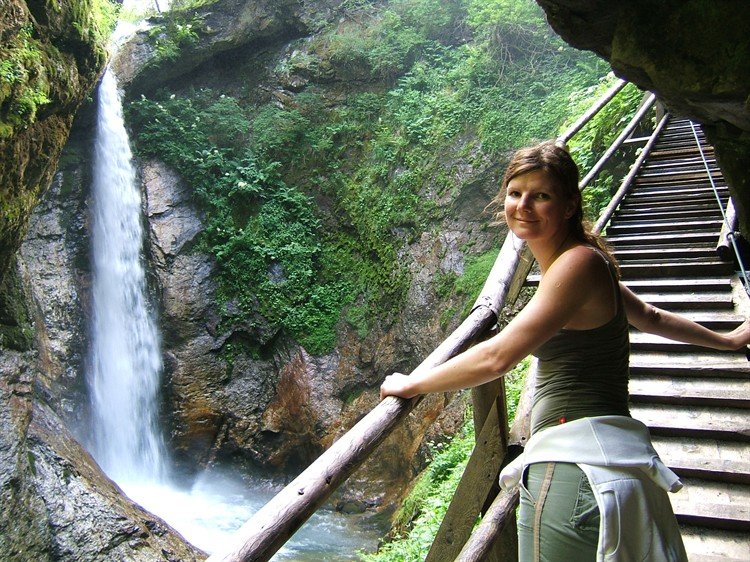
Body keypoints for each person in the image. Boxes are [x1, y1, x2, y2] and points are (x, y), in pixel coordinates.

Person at [379, 141, 750, 562]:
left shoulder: (576, 266)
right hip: (609, 465)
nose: (524, 206)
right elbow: (650, 316)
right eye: (516, 193)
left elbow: (497, 357)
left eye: (542, 195)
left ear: (570, 204)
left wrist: (412, 383)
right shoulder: (587, 261)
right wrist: (730, 340)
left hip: (574, 469)